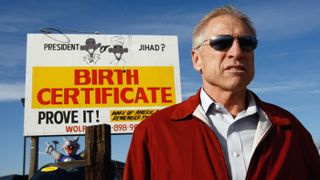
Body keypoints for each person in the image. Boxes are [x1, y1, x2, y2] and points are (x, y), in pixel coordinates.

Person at [124, 5, 320, 180]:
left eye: (247, 42)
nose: (237, 51)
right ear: (196, 59)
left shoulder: (290, 130)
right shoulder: (154, 133)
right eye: (222, 42)